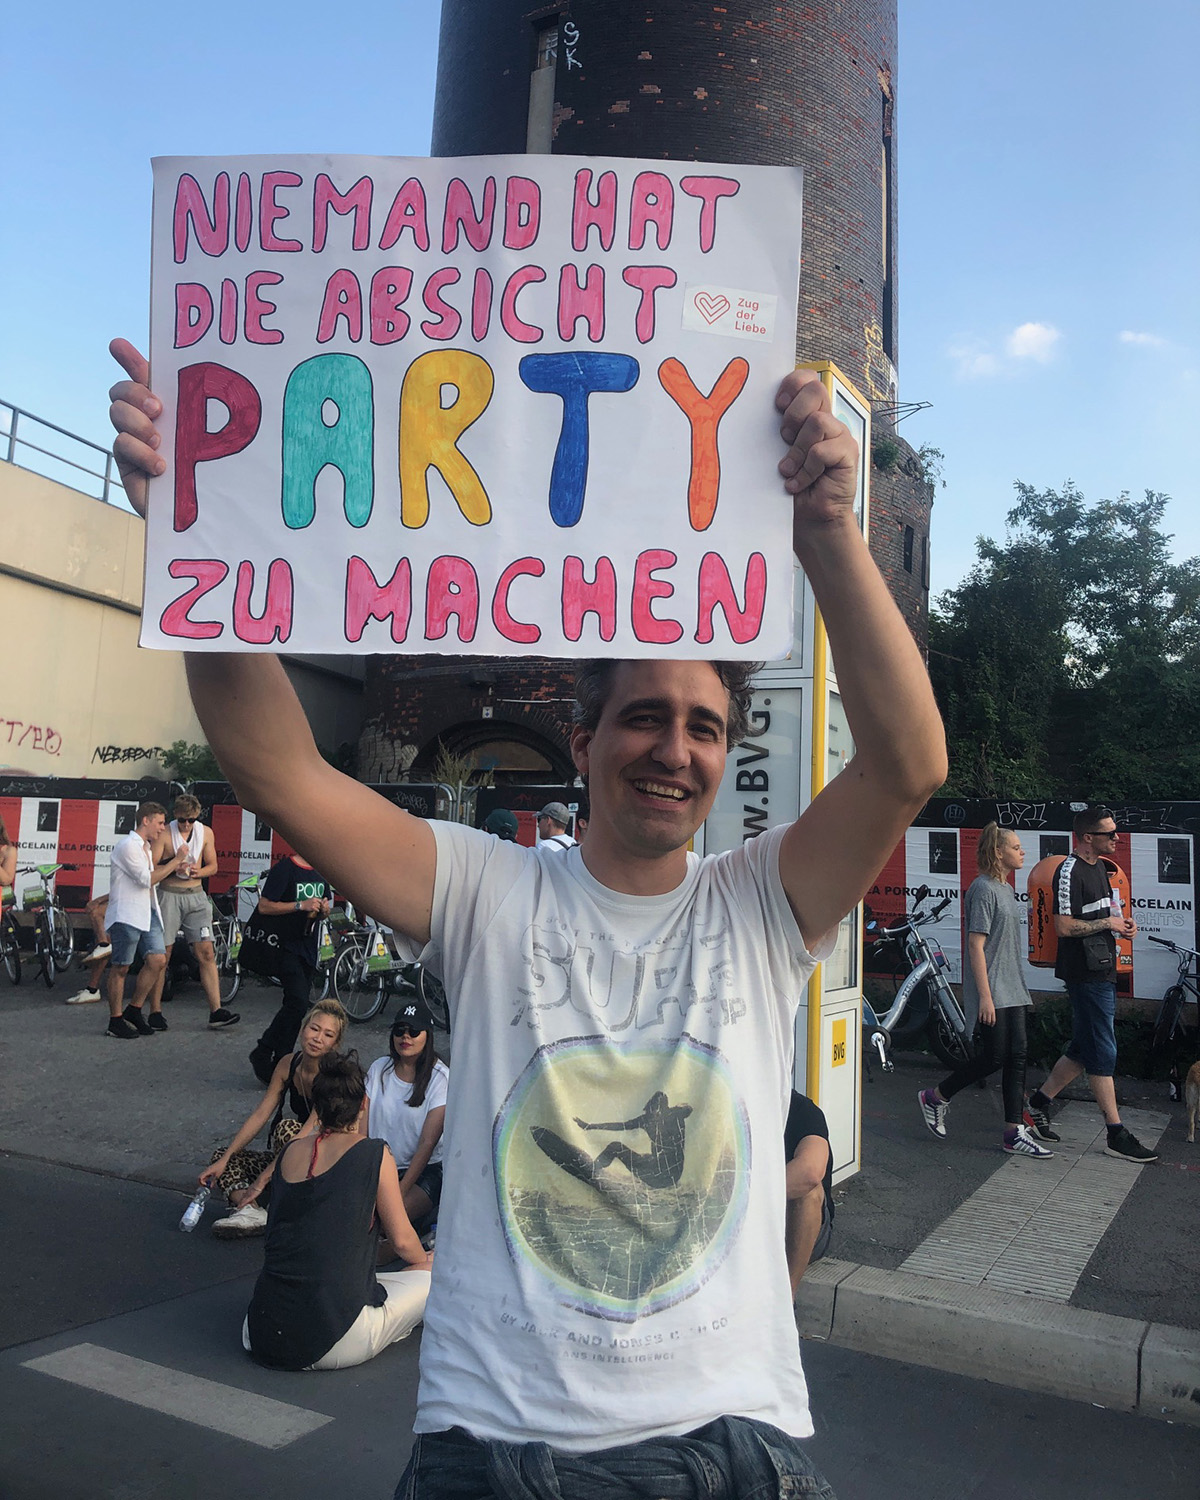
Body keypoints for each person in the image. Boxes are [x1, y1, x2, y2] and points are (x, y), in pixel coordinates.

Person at [112, 343, 945, 1497]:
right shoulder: (486, 890)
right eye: (645, 716)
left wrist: (828, 535)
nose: (675, 748)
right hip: (494, 1446)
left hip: (728, 1443)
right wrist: (187, 539)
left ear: (724, 755)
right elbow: (278, 771)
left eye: (704, 726)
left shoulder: (761, 904)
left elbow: (907, 764)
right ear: (586, 740)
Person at [244, 1052, 433, 1370]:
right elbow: (402, 1242)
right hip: (335, 1338)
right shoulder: (374, 1153)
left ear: (317, 1108)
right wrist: (424, 1263)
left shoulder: (290, 1151)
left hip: (260, 1330)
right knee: (432, 1276)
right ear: (363, 1105)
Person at [1026, 807, 1158, 1163]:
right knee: (1103, 1048)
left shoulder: (1099, 867)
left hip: (1102, 966)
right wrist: (1107, 925)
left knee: (1084, 1048)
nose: (1117, 838)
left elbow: (1105, 914)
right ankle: (1115, 1133)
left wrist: (1121, 923)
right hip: (1083, 971)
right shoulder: (1068, 870)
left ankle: (1037, 1104)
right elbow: (1063, 926)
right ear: (1087, 837)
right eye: (1109, 833)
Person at [917, 823, 1053, 1157]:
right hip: (993, 987)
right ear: (998, 852)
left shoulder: (1005, 888)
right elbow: (975, 945)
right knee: (994, 1057)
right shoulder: (983, 889)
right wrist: (985, 997)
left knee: (1017, 1055)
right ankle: (936, 1097)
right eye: (1016, 847)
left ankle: (1013, 1133)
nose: (1022, 852)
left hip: (1012, 985)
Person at [201, 998, 349, 1238]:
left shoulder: (333, 1076)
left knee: (287, 1129)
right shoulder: (288, 1063)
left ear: (335, 1044)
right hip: (291, 1158)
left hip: (325, 1160)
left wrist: (261, 1180)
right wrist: (226, 1158)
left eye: (328, 1035)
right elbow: (261, 1114)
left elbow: (306, 1132)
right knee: (223, 1156)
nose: (318, 1038)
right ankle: (251, 1209)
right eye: (314, 1029)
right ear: (302, 1029)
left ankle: (291, 1206)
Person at [153, 794, 240, 1029]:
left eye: (191, 820)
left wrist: (197, 872)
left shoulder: (206, 833)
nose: (186, 825)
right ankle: (155, 1011)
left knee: (207, 953)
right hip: (169, 894)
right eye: (182, 820)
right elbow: (152, 867)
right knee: (162, 956)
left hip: (196, 895)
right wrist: (174, 864)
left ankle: (216, 1010)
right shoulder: (164, 834)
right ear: (175, 816)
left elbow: (213, 866)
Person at [244, 852, 332, 1084]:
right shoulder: (285, 868)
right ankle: (264, 1050)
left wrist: (323, 910)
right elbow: (264, 906)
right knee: (298, 1002)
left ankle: (282, 1061)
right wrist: (299, 905)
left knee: (296, 1007)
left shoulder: (321, 870)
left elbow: (324, 907)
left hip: (307, 946)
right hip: (284, 945)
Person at [364, 999, 449, 1238]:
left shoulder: (441, 1078)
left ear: (427, 1036)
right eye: (400, 1030)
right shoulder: (379, 1069)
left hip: (423, 1172)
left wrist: (397, 1194)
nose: (405, 1036)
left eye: (414, 1031)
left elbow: (427, 1144)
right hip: (378, 1168)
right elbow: (361, 1128)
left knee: (386, 1221)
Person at [104, 801, 188, 1039]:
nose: (163, 828)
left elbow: (151, 877)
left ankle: (134, 1009)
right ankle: (115, 1020)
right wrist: (175, 861)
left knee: (158, 960)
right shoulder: (128, 846)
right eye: (160, 823)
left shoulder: (146, 847)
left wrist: (173, 867)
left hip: (147, 910)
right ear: (145, 821)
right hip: (126, 912)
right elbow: (146, 879)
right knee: (121, 967)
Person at [784, 1090, 835, 1293]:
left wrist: (748, 1200)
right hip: (741, 1222)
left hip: (797, 1224)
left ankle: (786, 1296)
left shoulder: (802, 1110)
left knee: (808, 1193)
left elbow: (810, 1172)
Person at [68, 894, 111, 1004]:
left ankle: (103, 944)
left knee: (96, 912)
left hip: (135, 907)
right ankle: (92, 989)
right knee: (106, 939)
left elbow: (123, 890)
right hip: (129, 904)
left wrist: (98, 900)